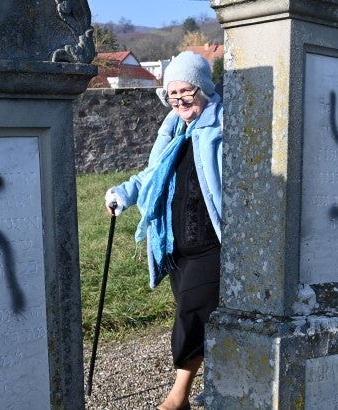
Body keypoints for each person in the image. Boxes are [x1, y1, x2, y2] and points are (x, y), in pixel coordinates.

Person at [104, 51, 223, 410]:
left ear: (202, 88)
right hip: (175, 247)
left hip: (212, 244)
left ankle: (177, 398)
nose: (179, 100)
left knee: (190, 316)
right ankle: (221, 381)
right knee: (206, 320)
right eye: (173, 94)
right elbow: (152, 175)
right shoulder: (172, 130)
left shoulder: (224, 128)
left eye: (186, 91)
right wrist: (123, 194)